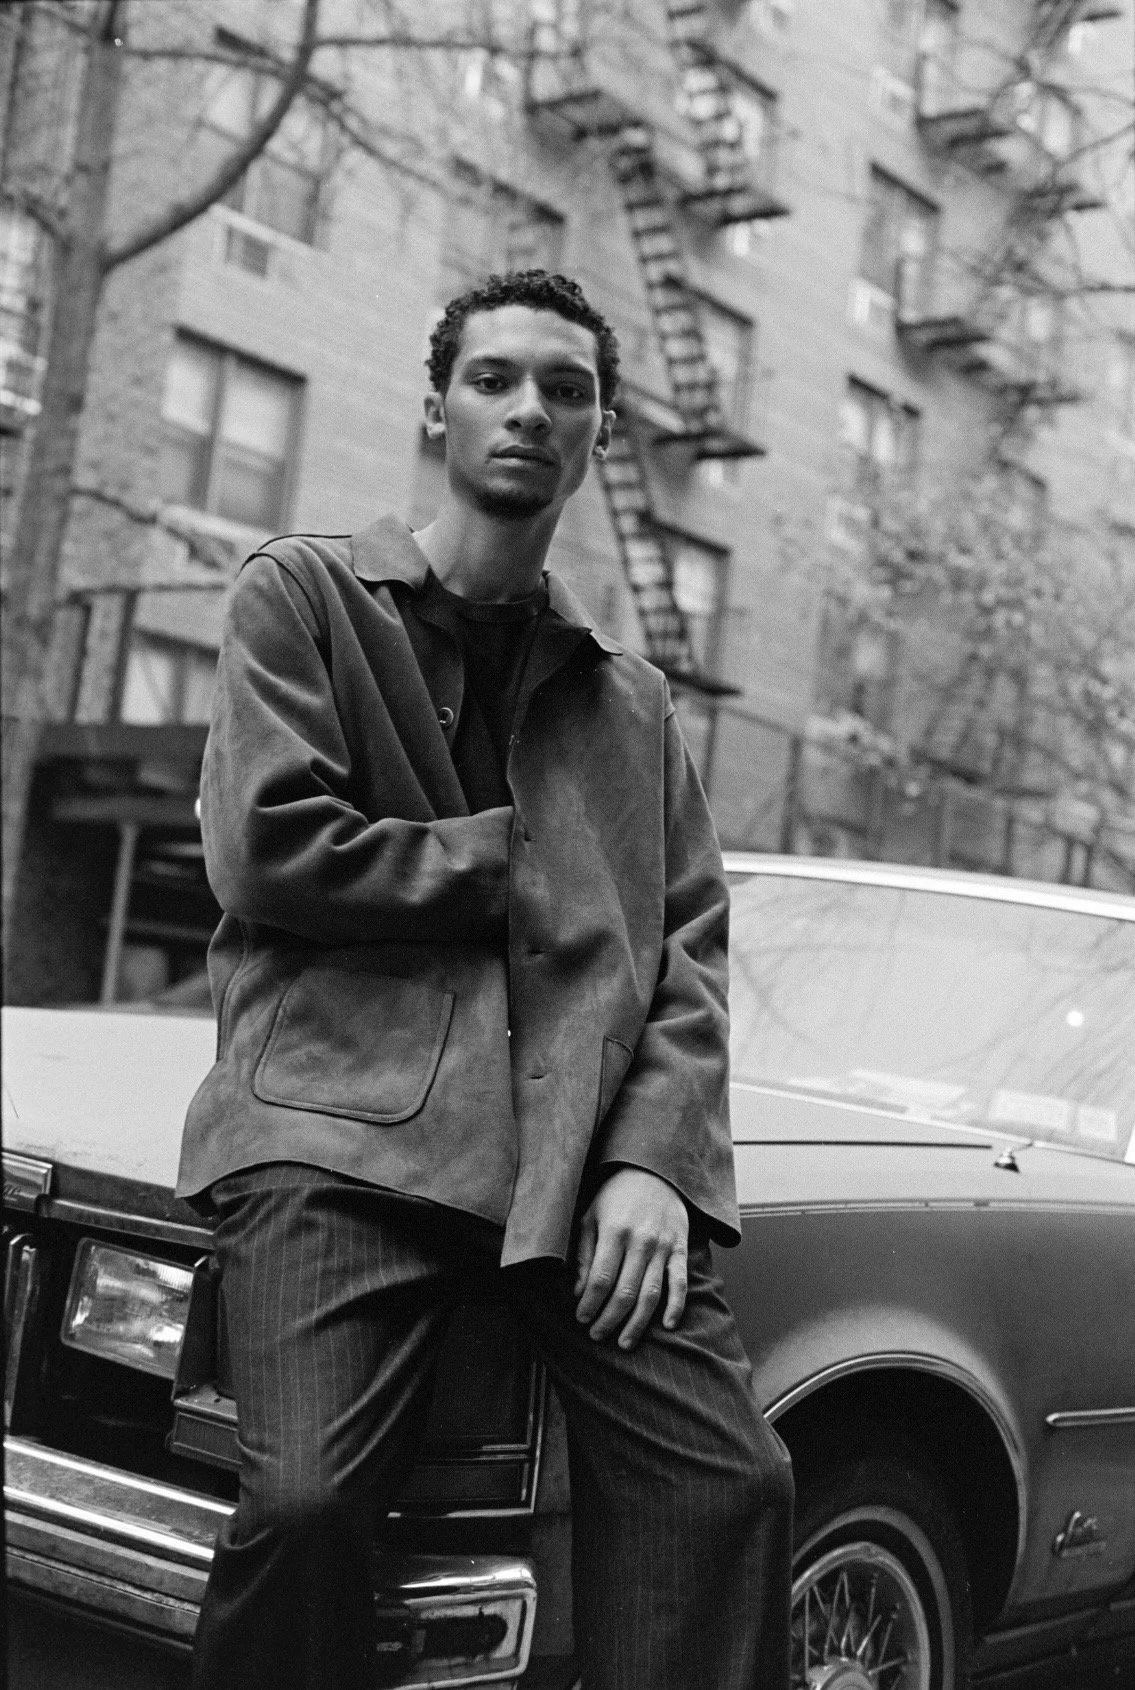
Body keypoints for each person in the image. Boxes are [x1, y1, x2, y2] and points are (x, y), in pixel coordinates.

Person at [177, 268, 792, 1690]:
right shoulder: (304, 598)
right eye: (495, 379)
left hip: (567, 1165)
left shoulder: (629, 701)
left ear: (599, 431)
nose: (529, 410)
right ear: (436, 406)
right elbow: (267, 848)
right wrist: (523, 860)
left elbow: (687, 947)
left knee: (732, 1482)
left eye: (565, 390)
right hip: (336, 1138)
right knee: (305, 1505)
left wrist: (654, 1161)